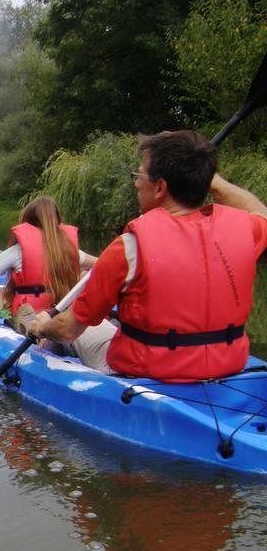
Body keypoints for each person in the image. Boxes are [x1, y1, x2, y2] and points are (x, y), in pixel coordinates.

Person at [29, 130, 267, 382]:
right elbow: (260, 211)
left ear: (160, 187)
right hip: (226, 365)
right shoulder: (243, 230)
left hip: (147, 372)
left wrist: (43, 325)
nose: (136, 183)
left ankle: (42, 371)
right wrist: (210, 180)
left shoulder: (129, 247)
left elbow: (67, 329)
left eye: (139, 175)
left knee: (78, 332)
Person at [0, 195, 97, 333]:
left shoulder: (17, 252)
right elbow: (102, 264)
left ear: (27, 222)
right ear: (58, 220)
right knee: (84, 274)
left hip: (29, 309)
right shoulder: (72, 251)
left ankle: (8, 318)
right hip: (59, 308)